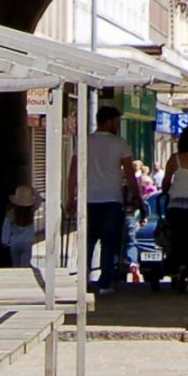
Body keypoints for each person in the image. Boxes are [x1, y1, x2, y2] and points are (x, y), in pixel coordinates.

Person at [71, 103, 134, 293]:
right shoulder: (120, 143)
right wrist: (136, 195)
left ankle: (84, 282)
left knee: (87, 242)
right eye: (115, 121)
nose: (117, 125)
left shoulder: (84, 142)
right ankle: (105, 283)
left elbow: (73, 171)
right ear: (107, 121)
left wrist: (70, 197)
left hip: (87, 199)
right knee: (109, 243)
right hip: (111, 200)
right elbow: (130, 173)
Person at [162, 124, 188, 292]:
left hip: (177, 206)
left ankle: (177, 266)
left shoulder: (175, 159)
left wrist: (166, 191)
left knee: (178, 239)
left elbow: (166, 181)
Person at [0, 181, 39, 268]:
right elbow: (39, 199)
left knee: (16, 265)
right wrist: (33, 190)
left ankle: (16, 280)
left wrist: (5, 240)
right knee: (25, 266)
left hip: (14, 242)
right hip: (27, 242)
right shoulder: (31, 210)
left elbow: (6, 227)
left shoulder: (11, 212)